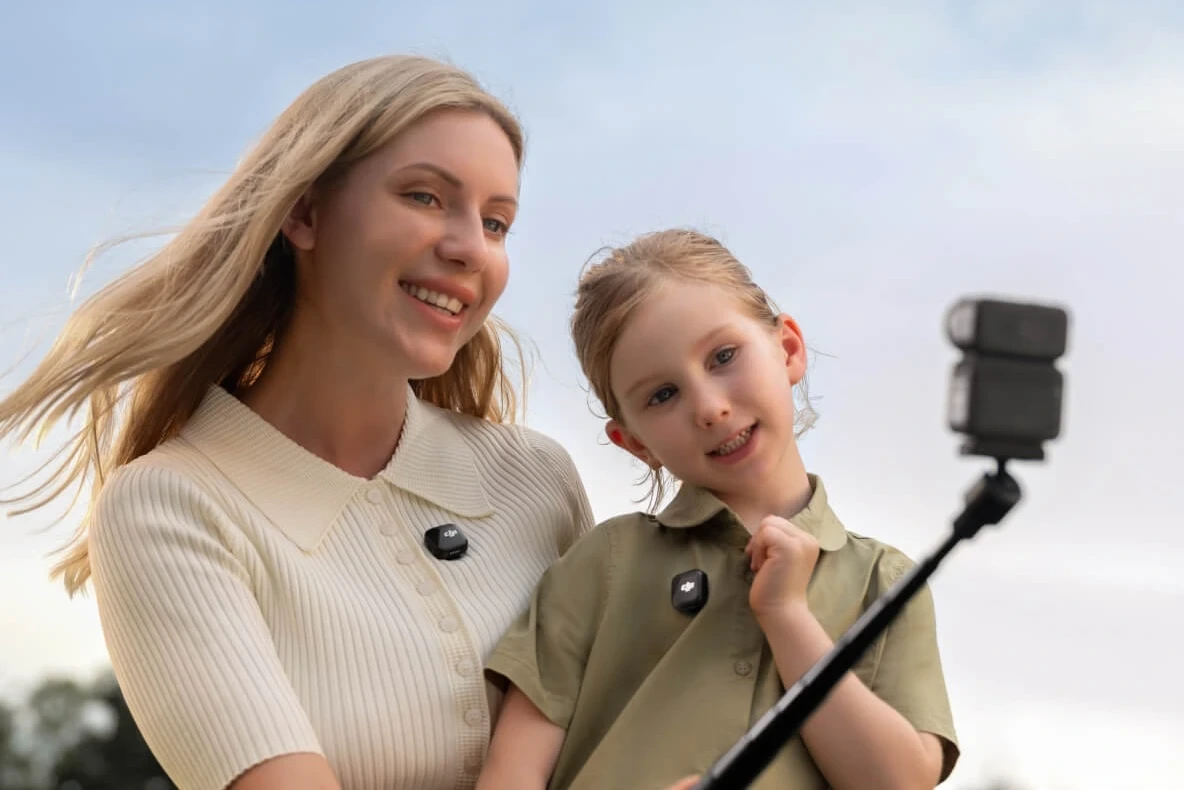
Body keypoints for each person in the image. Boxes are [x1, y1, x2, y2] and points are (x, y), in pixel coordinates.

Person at [0, 55, 700, 790]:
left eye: (496, 223)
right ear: (304, 213)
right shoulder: (168, 509)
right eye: (425, 197)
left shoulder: (537, 477)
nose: (471, 248)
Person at [476, 229, 961, 790]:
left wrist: (787, 615)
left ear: (788, 349)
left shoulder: (885, 583)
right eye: (662, 395)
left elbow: (897, 782)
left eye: (724, 357)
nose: (709, 408)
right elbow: (509, 776)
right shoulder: (602, 564)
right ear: (633, 442)